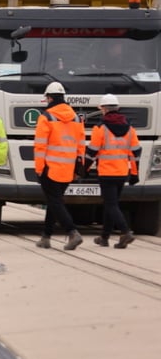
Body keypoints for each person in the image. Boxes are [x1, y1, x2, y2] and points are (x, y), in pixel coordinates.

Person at [34, 81, 86, 250]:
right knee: (54, 201)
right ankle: (46, 236)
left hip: (50, 168)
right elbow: (81, 145)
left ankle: (72, 232)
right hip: (68, 169)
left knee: (55, 202)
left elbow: (40, 146)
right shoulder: (76, 118)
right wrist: (80, 167)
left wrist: (39, 168)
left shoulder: (46, 117)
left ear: (49, 98)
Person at [84, 94, 140, 248]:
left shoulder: (100, 128)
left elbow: (91, 152)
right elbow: (135, 153)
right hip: (122, 173)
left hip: (107, 173)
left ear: (103, 109)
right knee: (112, 204)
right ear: (118, 109)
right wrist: (135, 173)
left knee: (110, 205)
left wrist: (84, 169)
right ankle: (104, 237)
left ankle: (125, 232)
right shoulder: (130, 129)